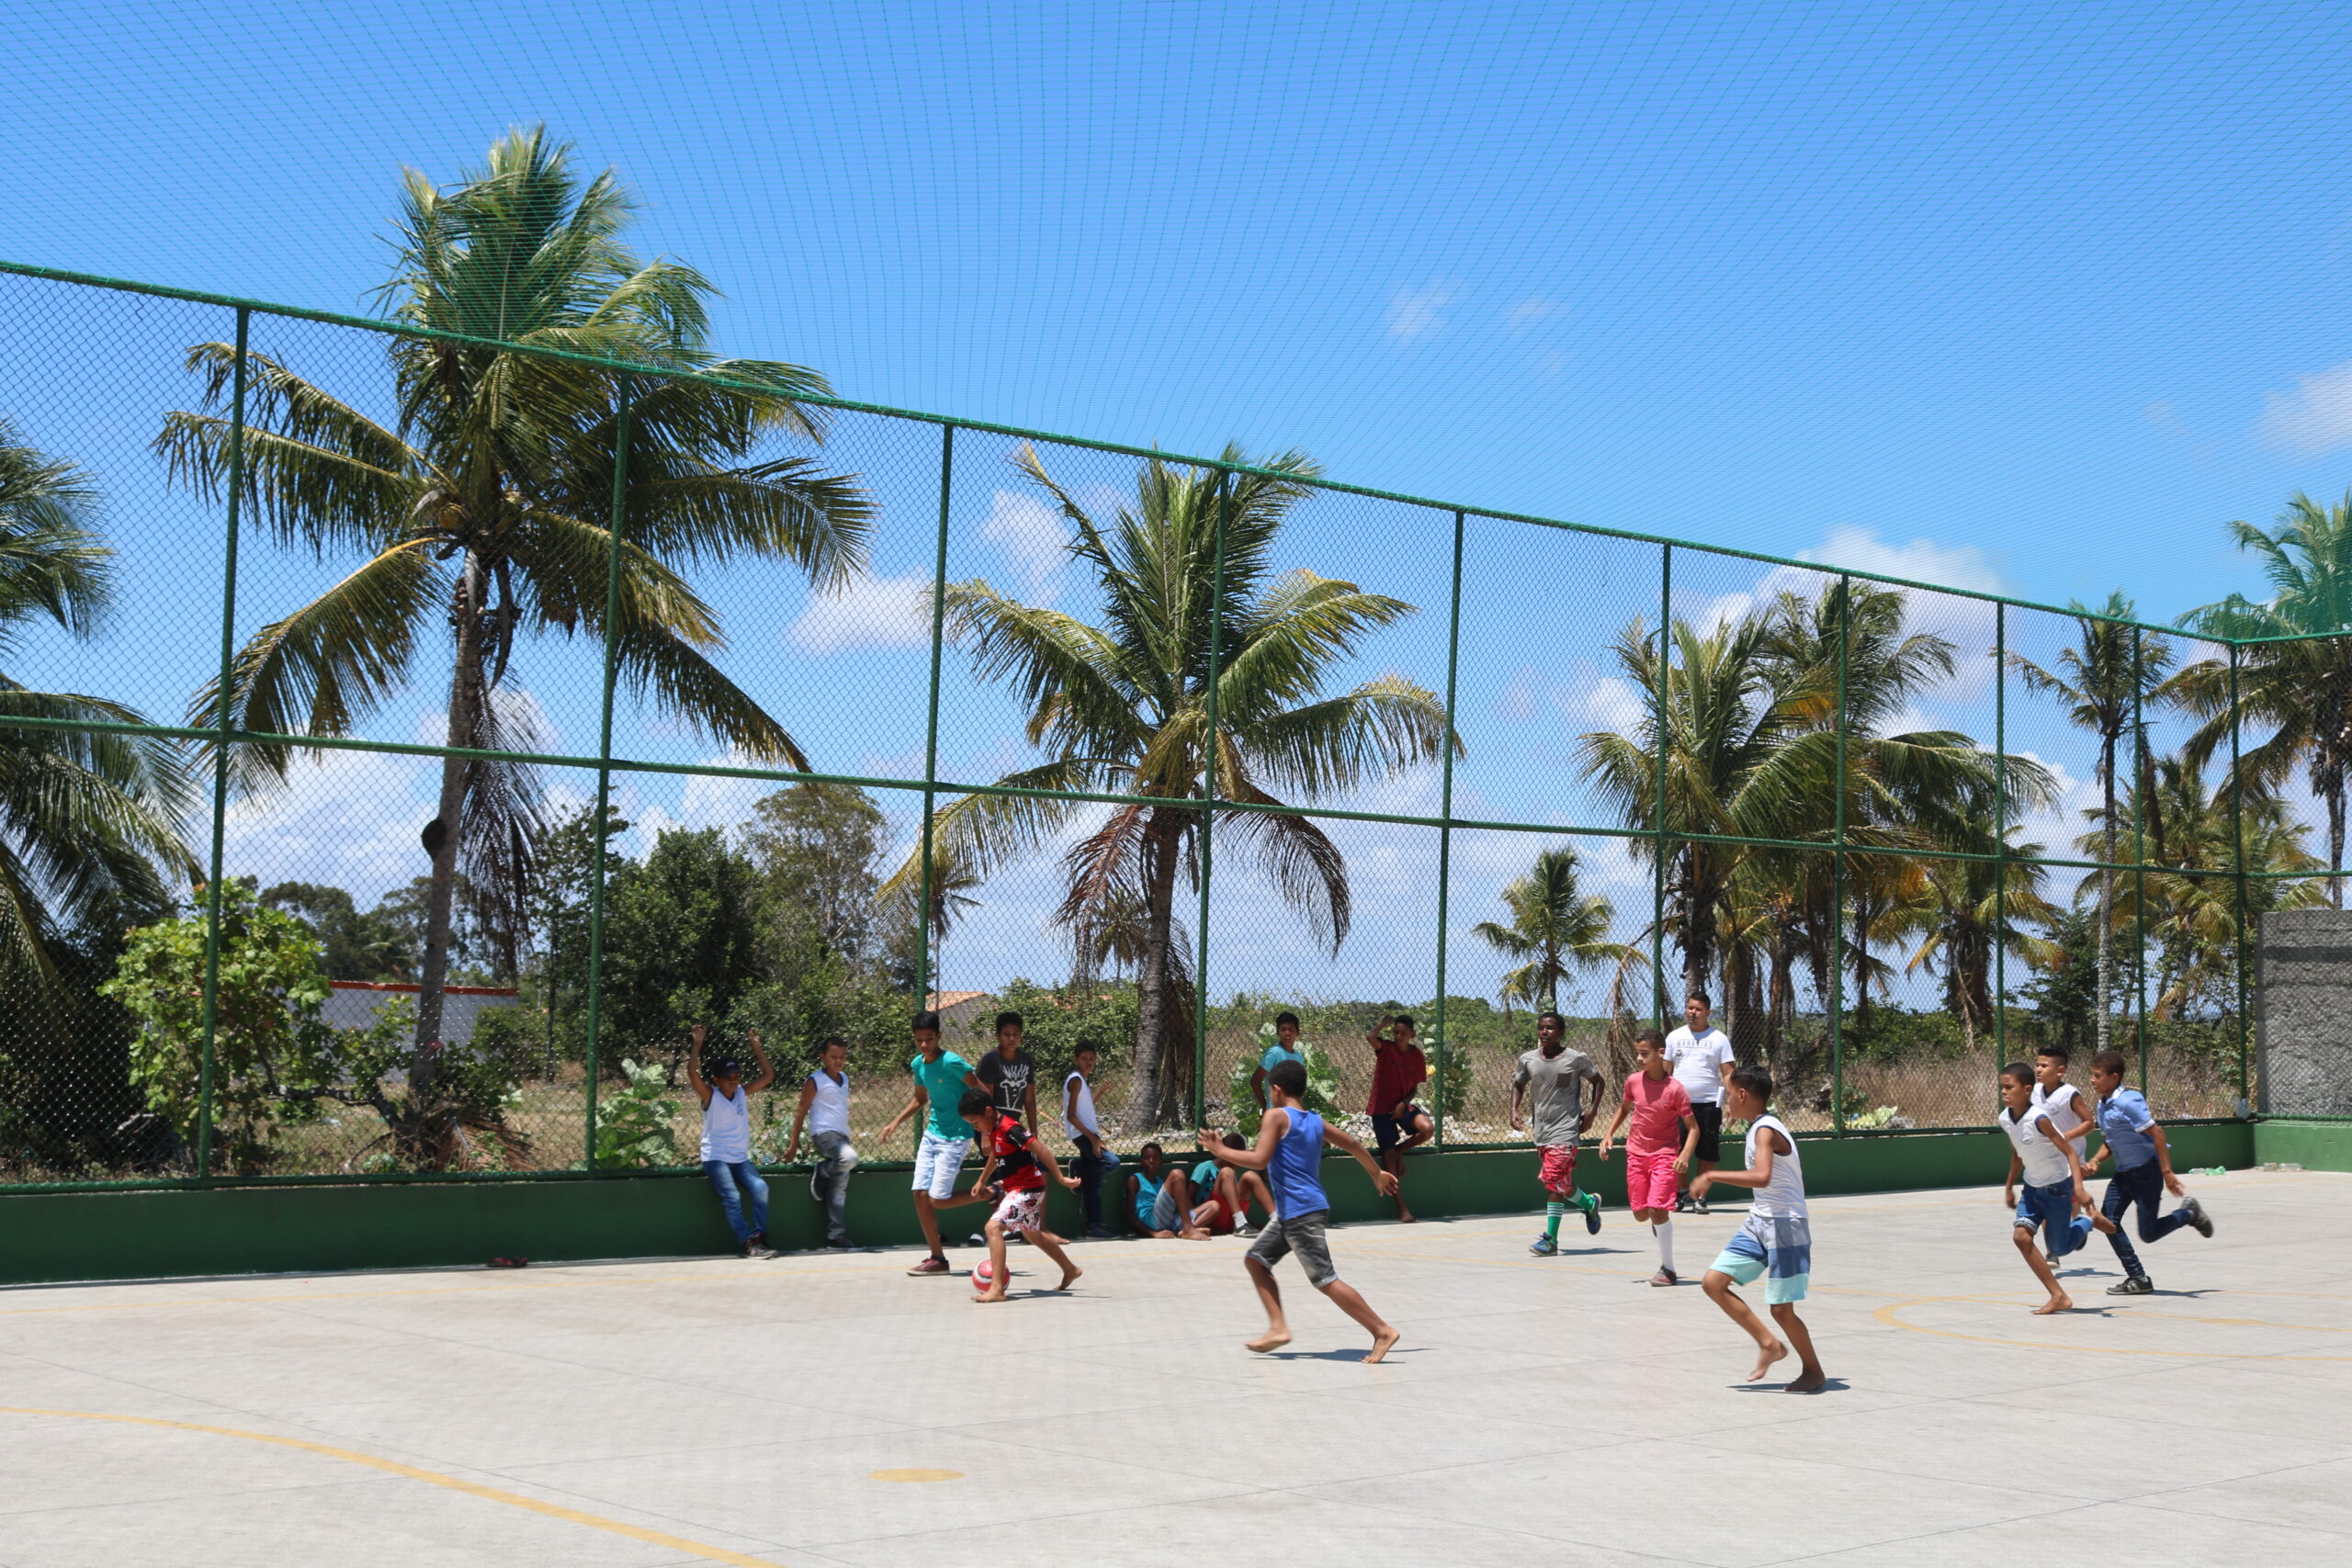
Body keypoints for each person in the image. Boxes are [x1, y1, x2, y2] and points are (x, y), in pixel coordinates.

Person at [1198, 1059, 1402, 1362]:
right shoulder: (1314, 1121)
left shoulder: (1276, 1116)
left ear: (1276, 1090)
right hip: (1294, 1211)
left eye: (1269, 1091)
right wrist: (1376, 1174)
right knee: (1256, 1260)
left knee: (1325, 1280)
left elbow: (1260, 1159)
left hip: (1300, 1211)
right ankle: (1278, 1327)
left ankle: (1381, 1330)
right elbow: (1353, 1144)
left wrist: (1220, 1151)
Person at [1692, 1065, 1825, 1393]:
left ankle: (1813, 1370)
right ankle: (1769, 1345)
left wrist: (1711, 1175)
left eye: (1729, 1095)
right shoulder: (1755, 1128)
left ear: (1742, 1094)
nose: (1726, 1102)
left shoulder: (1766, 1130)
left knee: (1781, 1310)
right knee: (1713, 1283)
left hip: (1786, 1225)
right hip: (1759, 1221)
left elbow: (1762, 1176)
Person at [2084, 1049, 2214, 1294]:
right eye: (2092, 1075)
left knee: (2149, 1233)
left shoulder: (2128, 1101)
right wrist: (2095, 1161)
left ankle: (2188, 1214)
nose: (2092, 1080)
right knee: (2107, 1222)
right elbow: (2111, 1142)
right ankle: (2138, 1277)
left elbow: (2158, 1134)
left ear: (2114, 1077)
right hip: (2123, 1175)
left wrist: (2167, 1173)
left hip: (2146, 1173)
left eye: (2097, 1075)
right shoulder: (2102, 1105)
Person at [1999, 1060, 2120, 1314]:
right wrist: (2009, 1186)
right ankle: (2058, 1296)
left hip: (2057, 1189)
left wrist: (2079, 1189)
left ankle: (2088, 1220)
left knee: (2060, 1248)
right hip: (2032, 1189)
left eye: (2009, 1087)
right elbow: (2017, 1154)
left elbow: (2070, 1153)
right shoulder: (2005, 1119)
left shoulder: (2039, 1119)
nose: (2004, 1092)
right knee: (2021, 1238)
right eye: (2002, 1087)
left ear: (2027, 1089)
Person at [877, 1010, 985, 1276]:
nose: (924, 1044)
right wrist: (895, 1122)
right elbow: (920, 1099)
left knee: (938, 1199)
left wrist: (985, 1132)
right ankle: (938, 1259)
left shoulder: (952, 1062)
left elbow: (981, 1091)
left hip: (956, 1137)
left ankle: (993, 1193)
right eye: (919, 1040)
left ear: (939, 1036)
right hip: (932, 1135)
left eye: (929, 1038)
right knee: (919, 1195)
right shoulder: (918, 1065)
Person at [953, 1089, 1082, 1302]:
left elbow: (1041, 1149)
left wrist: (1060, 1178)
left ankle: (997, 1289)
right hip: (1020, 1189)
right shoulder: (994, 1128)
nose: (975, 1127)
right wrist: (982, 1179)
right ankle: (1070, 1269)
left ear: (988, 1111)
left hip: (1027, 1189)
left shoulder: (1010, 1128)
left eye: (975, 1123)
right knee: (1033, 1234)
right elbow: (996, 1153)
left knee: (993, 1228)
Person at [1598, 1028, 1700, 1285]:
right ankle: (1658, 1220)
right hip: (1636, 1154)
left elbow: (1694, 1129)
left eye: (1645, 1054)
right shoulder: (1633, 1081)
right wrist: (1608, 1134)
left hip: (1664, 1154)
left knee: (1657, 1209)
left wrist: (1685, 1155)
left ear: (1660, 1052)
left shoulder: (1675, 1089)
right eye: (1638, 1054)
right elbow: (1624, 1109)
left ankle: (1668, 1269)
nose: (1639, 1059)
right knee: (1641, 1214)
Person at [1510, 1010, 1606, 1254]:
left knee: (1553, 1181)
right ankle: (1589, 1202)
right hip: (1541, 1131)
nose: (1545, 1032)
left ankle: (1550, 1240)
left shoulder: (1575, 1058)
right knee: (1560, 1183)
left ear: (1561, 1032)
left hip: (1566, 1129)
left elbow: (1598, 1082)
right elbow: (1518, 1084)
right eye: (1541, 1027)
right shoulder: (1528, 1059)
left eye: (1550, 1028)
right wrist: (1513, 1110)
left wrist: (1592, 1112)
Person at [686, 1023, 779, 1258]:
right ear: (716, 1079)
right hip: (716, 1158)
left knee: (761, 1188)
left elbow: (769, 1076)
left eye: (737, 1076)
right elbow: (692, 1074)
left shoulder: (740, 1093)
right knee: (732, 1197)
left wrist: (756, 1046)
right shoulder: (711, 1095)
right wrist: (697, 1044)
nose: (734, 1081)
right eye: (729, 1077)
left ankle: (759, 1236)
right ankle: (748, 1243)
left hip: (739, 1158)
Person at [782, 1035, 858, 1249]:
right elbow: (800, 1112)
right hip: (823, 1134)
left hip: (842, 1136)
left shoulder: (844, 1079)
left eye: (842, 1057)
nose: (839, 1061)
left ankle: (836, 1237)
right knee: (850, 1158)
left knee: (839, 1188)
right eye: (834, 1057)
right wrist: (793, 1145)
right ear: (822, 1057)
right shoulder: (815, 1080)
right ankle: (823, 1170)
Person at [1664, 991, 1736, 1213]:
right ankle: (1680, 1194)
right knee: (1677, 1150)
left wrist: (1733, 1102)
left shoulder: (1719, 1039)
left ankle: (1700, 1197)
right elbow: (1665, 1073)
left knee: (1707, 1152)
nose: (1693, 1013)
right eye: (1690, 1008)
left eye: (1698, 1009)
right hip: (1679, 1106)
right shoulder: (1674, 1037)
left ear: (1707, 1012)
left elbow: (1728, 1073)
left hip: (1709, 1105)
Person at [1366, 1013, 1433, 1222]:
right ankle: (1403, 1210)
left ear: (1412, 1034)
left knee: (1428, 1128)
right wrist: (1382, 1024)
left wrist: (1403, 1103)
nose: (1398, 1036)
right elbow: (1370, 1037)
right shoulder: (1386, 1048)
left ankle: (1399, 1150)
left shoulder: (1417, 1056)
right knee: (1390, 1161)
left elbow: (1414, 1087)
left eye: (1403, 1033)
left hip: (1402, 1106)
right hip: (1381, 1109)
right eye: (1395, 1032)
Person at [1061, 1040, 1119, 1238]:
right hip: (1083, 1135)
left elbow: (1083, 1107)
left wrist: (1099, 1093)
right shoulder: (1076, 1080)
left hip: (1088, 1134)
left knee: (1094, 1182)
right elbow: (1071, 1116)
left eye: (1092, 1059)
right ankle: (1079, 1168)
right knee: (1112, 1162)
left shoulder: (1082, 1081)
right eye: (1084, 1058)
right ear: (1075, 1060)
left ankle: (1092, 1226)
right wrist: (1093, 1139)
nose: (1089, 1062)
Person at [1191, 1134, 1276, 1236]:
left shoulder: (1232, 1171)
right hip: (1210, 1218)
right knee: (1227, 1172)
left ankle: (1277, 1221)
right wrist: (1192, 1224)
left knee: (1250, 1176)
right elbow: (1189, 1197)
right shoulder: (1205, 1167)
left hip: (1231, 1220)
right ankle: (1240, 1223)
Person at [1125, 1142, 1210, 1239]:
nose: (1151, 1161)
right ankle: (1188, 1228)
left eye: (1155, 1158)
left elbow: (1179, 1205)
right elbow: (1130, 1216)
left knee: (1213, 1206)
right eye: (1146, 1158)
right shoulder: (1135, 1180)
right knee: (1177, 1174)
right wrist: (1153, 1233)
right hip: (1151, 1222)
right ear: (1141, 1161)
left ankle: (1185, 1230)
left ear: (1161, 1162)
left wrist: (1192, 1211)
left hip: (1167, 1221)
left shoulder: (1160, 1181)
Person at [974, 1010, 1038, 1132]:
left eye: (1016, 1034)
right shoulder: (990, 1060)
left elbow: (1029, 1100)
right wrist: (986, 1134)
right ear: (997, 1035)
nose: (1012, 1038)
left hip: (1012, 1125)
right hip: (991, 1126)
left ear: (1021, 1035)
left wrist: (1034, 1132)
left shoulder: (1026, 1060)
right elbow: (985, 1101)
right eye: (1007, 1034)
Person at [1250, 1011, 1307, 1110]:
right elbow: (1255, 1081)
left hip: (1293, 1112)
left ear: (1297, 1032)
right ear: (1278, 1032)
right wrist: (1264, 1108)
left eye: (1291, 1029)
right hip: (1276, 1111)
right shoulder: (1274, 1054)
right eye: (1283, 1029)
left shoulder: (1298, 1057)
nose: (1287, 1033)